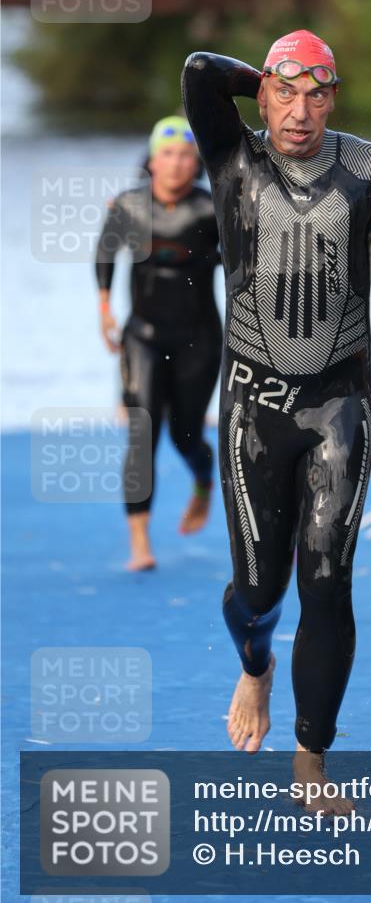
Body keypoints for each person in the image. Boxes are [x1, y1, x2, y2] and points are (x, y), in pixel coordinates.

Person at [182, 30, 371, 810]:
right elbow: (200, 71)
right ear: (261, 95)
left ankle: (310, 758)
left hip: (339, 406)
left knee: (326, 582)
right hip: (251, 411)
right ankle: (255, 664)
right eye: (284, 93)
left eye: (317, 94)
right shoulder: (234, 159)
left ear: (336, 98)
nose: (301, 111)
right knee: (258, 592)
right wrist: (270, 68)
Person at [95, 116, 222, 571]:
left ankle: (203, 482)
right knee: (142, 433)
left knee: (186, 435)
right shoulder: (128, 206)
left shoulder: (212, 211)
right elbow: (106, 250)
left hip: (199, 339)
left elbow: (248, 268)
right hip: (143, 337)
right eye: (167, 154)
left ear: (197, 164)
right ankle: (140, 544)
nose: (176, 164)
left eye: (187, 156)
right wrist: (105, 307)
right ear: (151, 160)